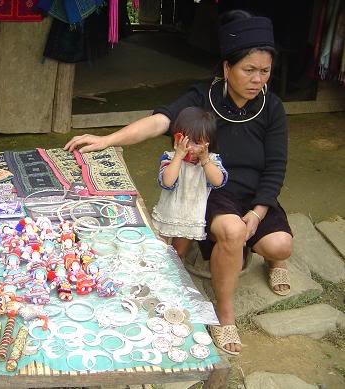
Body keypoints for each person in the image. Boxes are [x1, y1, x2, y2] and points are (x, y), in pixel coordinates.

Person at [64, 10, 293, 356]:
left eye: (264, 71)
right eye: (249, 69)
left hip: (255, 196)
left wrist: (259, 213)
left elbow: (276, 167)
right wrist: (108, 139)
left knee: (280, 246)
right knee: (231, 231)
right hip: (214, 191)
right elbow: (158, 122)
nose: (257, 79)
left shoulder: (272, 108)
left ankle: (269, 259)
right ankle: (224, 313)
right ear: (227, 67)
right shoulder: (202, 97)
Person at [152, 106, 228, 257]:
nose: (191, 148)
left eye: (198, 142)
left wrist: (205, 160)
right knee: (157, 250)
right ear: (177, 138)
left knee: (178, 253)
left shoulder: (211, 161)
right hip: (167, 213)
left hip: (190, 218)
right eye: (187, 141)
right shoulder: (170, 158)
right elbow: (167, 181)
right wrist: (178, 157)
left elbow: (218, 181)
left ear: (209, 143)